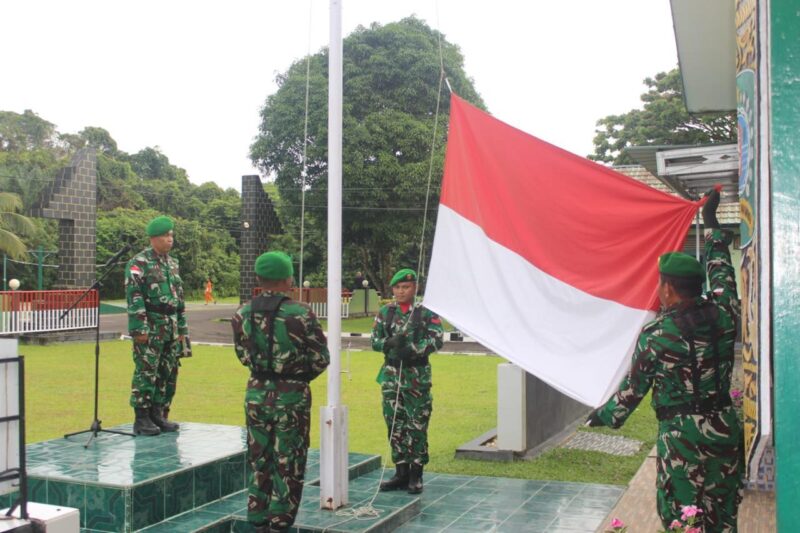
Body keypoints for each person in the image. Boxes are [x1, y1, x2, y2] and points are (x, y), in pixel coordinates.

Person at [586, 188, 742, 532]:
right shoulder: (726, 311)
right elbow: (722, 271)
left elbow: (632, 391)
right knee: (723, 514)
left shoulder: (658, 334)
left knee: (681, 517)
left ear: (669, 289)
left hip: (682, 439)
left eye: (660, 284)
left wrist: (601, 416)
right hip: (724, 432)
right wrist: (713, 222)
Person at [232, 251, 330, 533]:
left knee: (259, 458)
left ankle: (258, 519)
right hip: (291, 395)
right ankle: (280, 523)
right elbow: (320, 358)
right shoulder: (300, 313)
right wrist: (297, 378)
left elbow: (242, 355)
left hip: (256, 393)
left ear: (260, 279)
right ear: (288, 279)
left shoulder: (242, 313)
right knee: (289, 461)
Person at [371, 268, 444, 494]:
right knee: (394, 423)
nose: (401, 291)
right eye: (397, 288)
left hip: (416, 378)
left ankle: (416, 472)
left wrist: (411, 350)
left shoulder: (425, 313)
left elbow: (436, 340)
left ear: (415, 288)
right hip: (392, 378)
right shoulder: (386, 312)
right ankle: (400, 471)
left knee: (417, 424)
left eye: (406, 287)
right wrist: (389, 343)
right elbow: (374, 341)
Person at [125, 215, 187, 436]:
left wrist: (182, 329)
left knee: (166, 371)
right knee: (146, 370)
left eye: (171, 235)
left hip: (170, 326)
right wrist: (139, 328)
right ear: (154, 238)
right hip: (150, 325)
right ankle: (141, 417)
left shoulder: (172, 263)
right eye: (166, 235)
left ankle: (158, 414)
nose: (170, 239)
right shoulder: (139, 263)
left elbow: (179, 299)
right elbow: (135, 297)